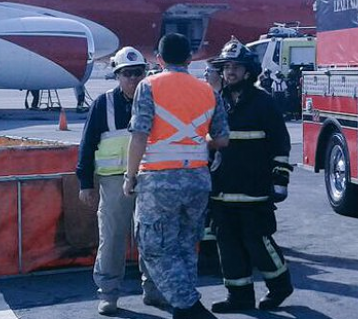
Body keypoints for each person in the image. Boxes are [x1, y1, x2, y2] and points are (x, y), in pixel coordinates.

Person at [123, 33, 229, 319]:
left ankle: (190, 307)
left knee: (154, 246)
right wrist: (195, 142)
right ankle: (185, 309)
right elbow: (221, 139)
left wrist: (129, 176)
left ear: (158, 59)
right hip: (197, 179)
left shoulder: (149, 86)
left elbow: (140, 135)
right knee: (185, 246)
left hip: (159, 180)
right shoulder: (209, 91)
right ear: (189, 58)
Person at [75, 46, 164, 315]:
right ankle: (109, 293)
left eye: (138, 73)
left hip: (148, 178)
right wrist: (85, 183)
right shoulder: (104, 104)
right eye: (127, 74)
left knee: (150, 236)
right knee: (112, 238)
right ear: (117, 76)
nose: (133, 79)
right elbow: (87, 145)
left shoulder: (154, 102)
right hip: (113, 181)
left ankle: (153, 290)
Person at [207, 38, 294, 313]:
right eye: (227, 67)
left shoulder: (263, 103)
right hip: (221, 188)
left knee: (257, 241)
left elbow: (280, 142)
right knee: (228, 244)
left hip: (255, 186)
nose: (230, 72)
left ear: (248, 71)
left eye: (236, 67)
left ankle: (280, 286)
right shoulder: (215, 102)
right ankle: (239, 297)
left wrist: (280, 179)